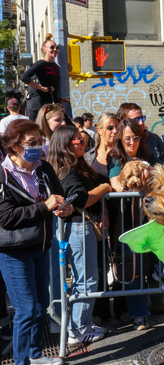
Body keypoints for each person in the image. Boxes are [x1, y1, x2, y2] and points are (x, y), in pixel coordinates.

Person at [0, 118, 72, 365]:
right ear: (14, 147)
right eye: (31, 143)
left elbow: (57, 195)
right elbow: (5, 217)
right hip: (14, 252)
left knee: (41, 305)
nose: (38, 147)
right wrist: (44, 207)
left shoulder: (43, 168)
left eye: (39, 141)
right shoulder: (3, 174)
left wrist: (63, 207)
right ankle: (20, 364)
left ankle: (35, 354)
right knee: (26, 310)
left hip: (42, 246)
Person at [47, 126, 112, 345]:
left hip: (79, 228)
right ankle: (78, 330)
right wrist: (105, 187)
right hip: (77, 228)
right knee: (86, 279)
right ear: (65, 144)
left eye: (82, 139)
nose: (83, 142)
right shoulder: (66, 171)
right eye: (77, 140)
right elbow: (82, 199)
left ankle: (79, 324)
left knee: (84, 278)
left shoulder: (72, 167)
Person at [108, 118, 162, 329]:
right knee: (133, 267)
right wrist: (128, 185)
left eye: (136, 138)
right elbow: (116, 183)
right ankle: (139, 314)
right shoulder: (115, 159)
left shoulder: (150, 157)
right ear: (121, 139)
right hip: (127, 221)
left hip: (151, 220)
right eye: (128, 138)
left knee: (156, 262)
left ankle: (160, 300)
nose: (132, 142)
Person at [83, 113, 120, 323]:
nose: (114, 132)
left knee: (120, 258)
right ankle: (101, 310)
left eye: (116, 128)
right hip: (96, 215)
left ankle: (123, 307)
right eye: (110, 128)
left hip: (120, 213)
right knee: (98, 261)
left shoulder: (119, 156)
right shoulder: (88, 156)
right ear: (99, 130)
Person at [20, 34, 61, 121]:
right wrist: (42, 88)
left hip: (50, 102)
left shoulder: (55, 66)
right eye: (52, 47)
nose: (55, 50)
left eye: (56, 47)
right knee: (39, 129)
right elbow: (24, 77)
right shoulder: (40, 63)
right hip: (38, 101)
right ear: (44, 50)